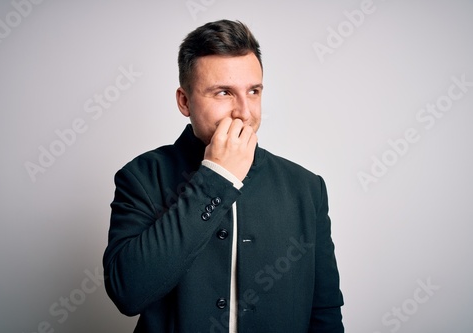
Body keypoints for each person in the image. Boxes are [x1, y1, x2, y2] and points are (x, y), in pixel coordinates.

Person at [103, 19, 344, 332]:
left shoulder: (306, 188)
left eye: (253, 91)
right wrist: (216, 177)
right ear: (184, 101)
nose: (244, 112)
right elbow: (128, 293)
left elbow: (324, 312)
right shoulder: (141, 177)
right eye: (223, 93)